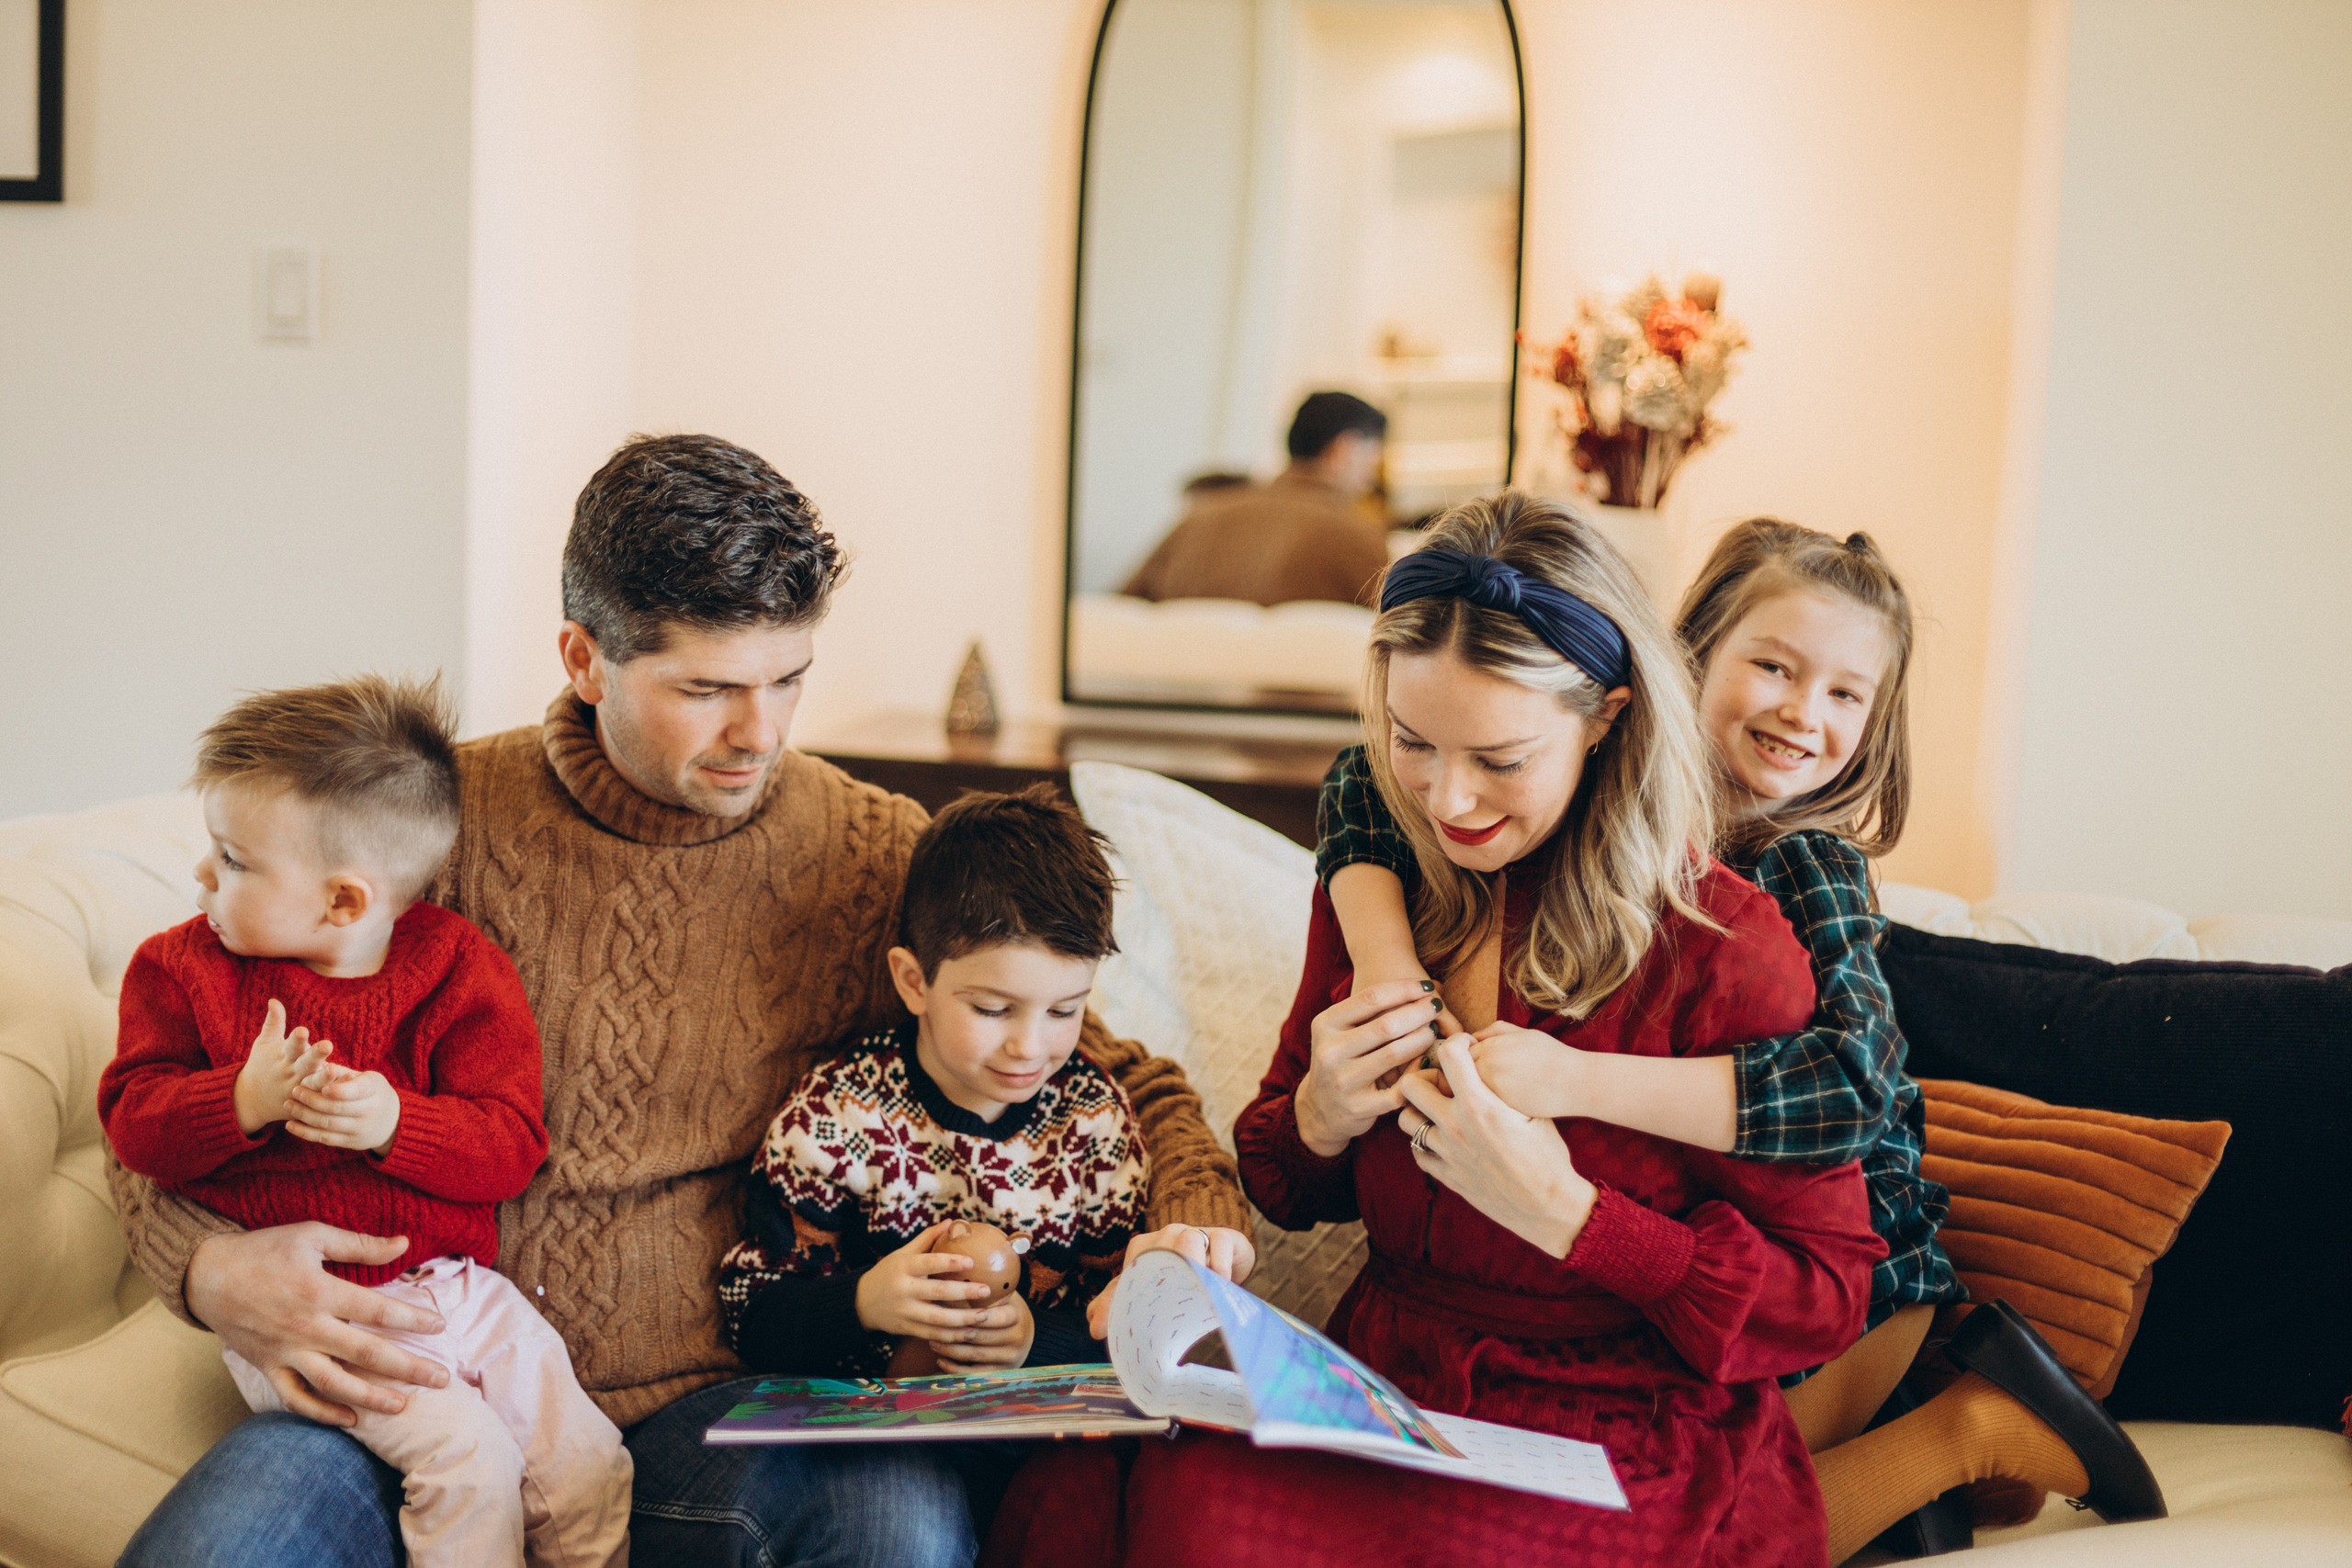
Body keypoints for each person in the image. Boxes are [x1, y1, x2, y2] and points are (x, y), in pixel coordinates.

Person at [108, 434, 1255, 1568]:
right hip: (427, 1374)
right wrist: (207, 1272)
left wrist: (1195, 1217)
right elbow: (165, 1091)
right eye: (705, 689)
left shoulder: (867, 854)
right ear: (583, 657)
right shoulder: (421, 833)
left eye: (788, 679)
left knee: (899, 1527)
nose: (758, 733)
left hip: (726, 1411)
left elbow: (1107, 1065)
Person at [989, 493, 1885, 1568]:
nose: (1448, 800)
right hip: (1384, 1390)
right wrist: (1320, 1111)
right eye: (1413, 744)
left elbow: (1826, 1298)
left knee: (1213, 1525)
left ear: (1605, 718)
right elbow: (1282, 1178)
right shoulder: (1384, 894)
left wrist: (1573, 1217)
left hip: (1618, 1438)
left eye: (1499, 759)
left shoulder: (1723, 946)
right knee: (1080, 1469)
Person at [1311, 516, 2164, 1558]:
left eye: (1847, 694)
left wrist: (1572, 1081)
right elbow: (1362, 781)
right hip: (1678, 1283)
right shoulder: (1546, 815)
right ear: (1679, 660)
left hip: (1858, 1281)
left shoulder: (1800, 871)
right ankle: (1912, 1504)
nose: (1803, 713)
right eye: (1772, 665)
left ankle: (1964, 1436)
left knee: (1717, 1518)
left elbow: (1850, 1089)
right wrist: (1387, 964)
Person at [97, 675, 631, 1567]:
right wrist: (239, 1101)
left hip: (461, 1292)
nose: (200, 875)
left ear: (343, 901)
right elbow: (133, 1126)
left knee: (587, 1463)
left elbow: (509, 1149)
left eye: (230, 859)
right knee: (469, 1464)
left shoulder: (458, 970)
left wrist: (397, 1124)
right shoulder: (178, 970)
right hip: (318, 1322)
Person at [720, 784, 1148, 1529]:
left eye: (1064, 1010)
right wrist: (865, 1301)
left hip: (1039, 1445)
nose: (1030, 1045)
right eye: (992, 1009)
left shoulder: (1094, 1122)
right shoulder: (841, 1113)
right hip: (878, 1451)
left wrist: (1032, 1342)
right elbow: (749, 1309)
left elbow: (1127, 1322)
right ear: (914, 980)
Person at [1119, 390, 1389, 606]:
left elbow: (1120, 609)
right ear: (1345, 449)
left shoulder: (1198, 518)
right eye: (1373, 457)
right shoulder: (1356, 535)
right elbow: (1399, 635)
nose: (1372, 476)